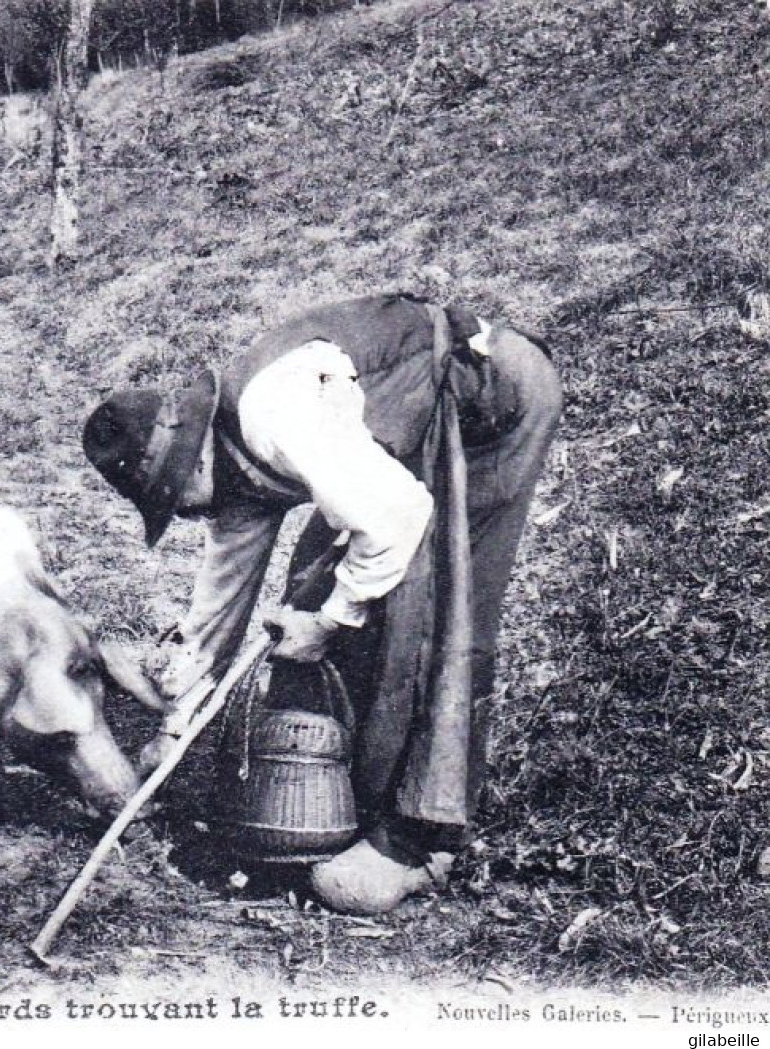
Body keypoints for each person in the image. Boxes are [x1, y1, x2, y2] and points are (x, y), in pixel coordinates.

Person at [82, 292, 563, 915]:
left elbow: (397, 515)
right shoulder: (226, 464)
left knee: (430, 608)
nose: (183, 512)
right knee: (317, 580)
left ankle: (419, 838)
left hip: (487, 404)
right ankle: (351, 796)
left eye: (174, 496)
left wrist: (331, 622)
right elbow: (222, 598)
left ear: (192, 456)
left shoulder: (273, 416)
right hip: (401, 442)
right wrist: (175, 724)